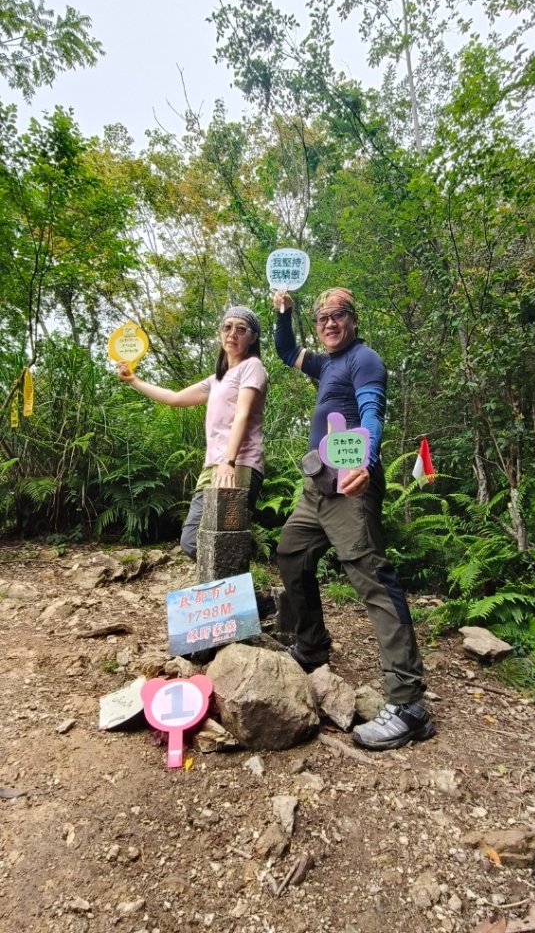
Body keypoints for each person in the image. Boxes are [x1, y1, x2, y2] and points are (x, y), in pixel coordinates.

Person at [272, 287, 434, 751]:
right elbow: (285, 350)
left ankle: (408, 705)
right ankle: (312, 646)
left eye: (337, 315)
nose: (328, 323)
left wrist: (365, 457)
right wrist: (284, 312)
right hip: (316, 487)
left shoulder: (364, 359)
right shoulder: (325, 364)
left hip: (350, 485)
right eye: (321, 317)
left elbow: (370, 410)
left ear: (353, 319)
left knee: (373, 580)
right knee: (290, 552)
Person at [116, 306, 268, 562]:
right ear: (220, 333)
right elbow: (175, 398)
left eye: (241, 329)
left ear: (252, 338)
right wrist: (134, 380)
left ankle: (244, 598)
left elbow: (242, 414)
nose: (232, 333)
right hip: (213, 467)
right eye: (227, 327)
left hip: (238, 465)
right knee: (192, 540)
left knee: (225, 538)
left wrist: (229, 462)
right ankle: (247, 597)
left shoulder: (252, 367)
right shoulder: (217, 379)